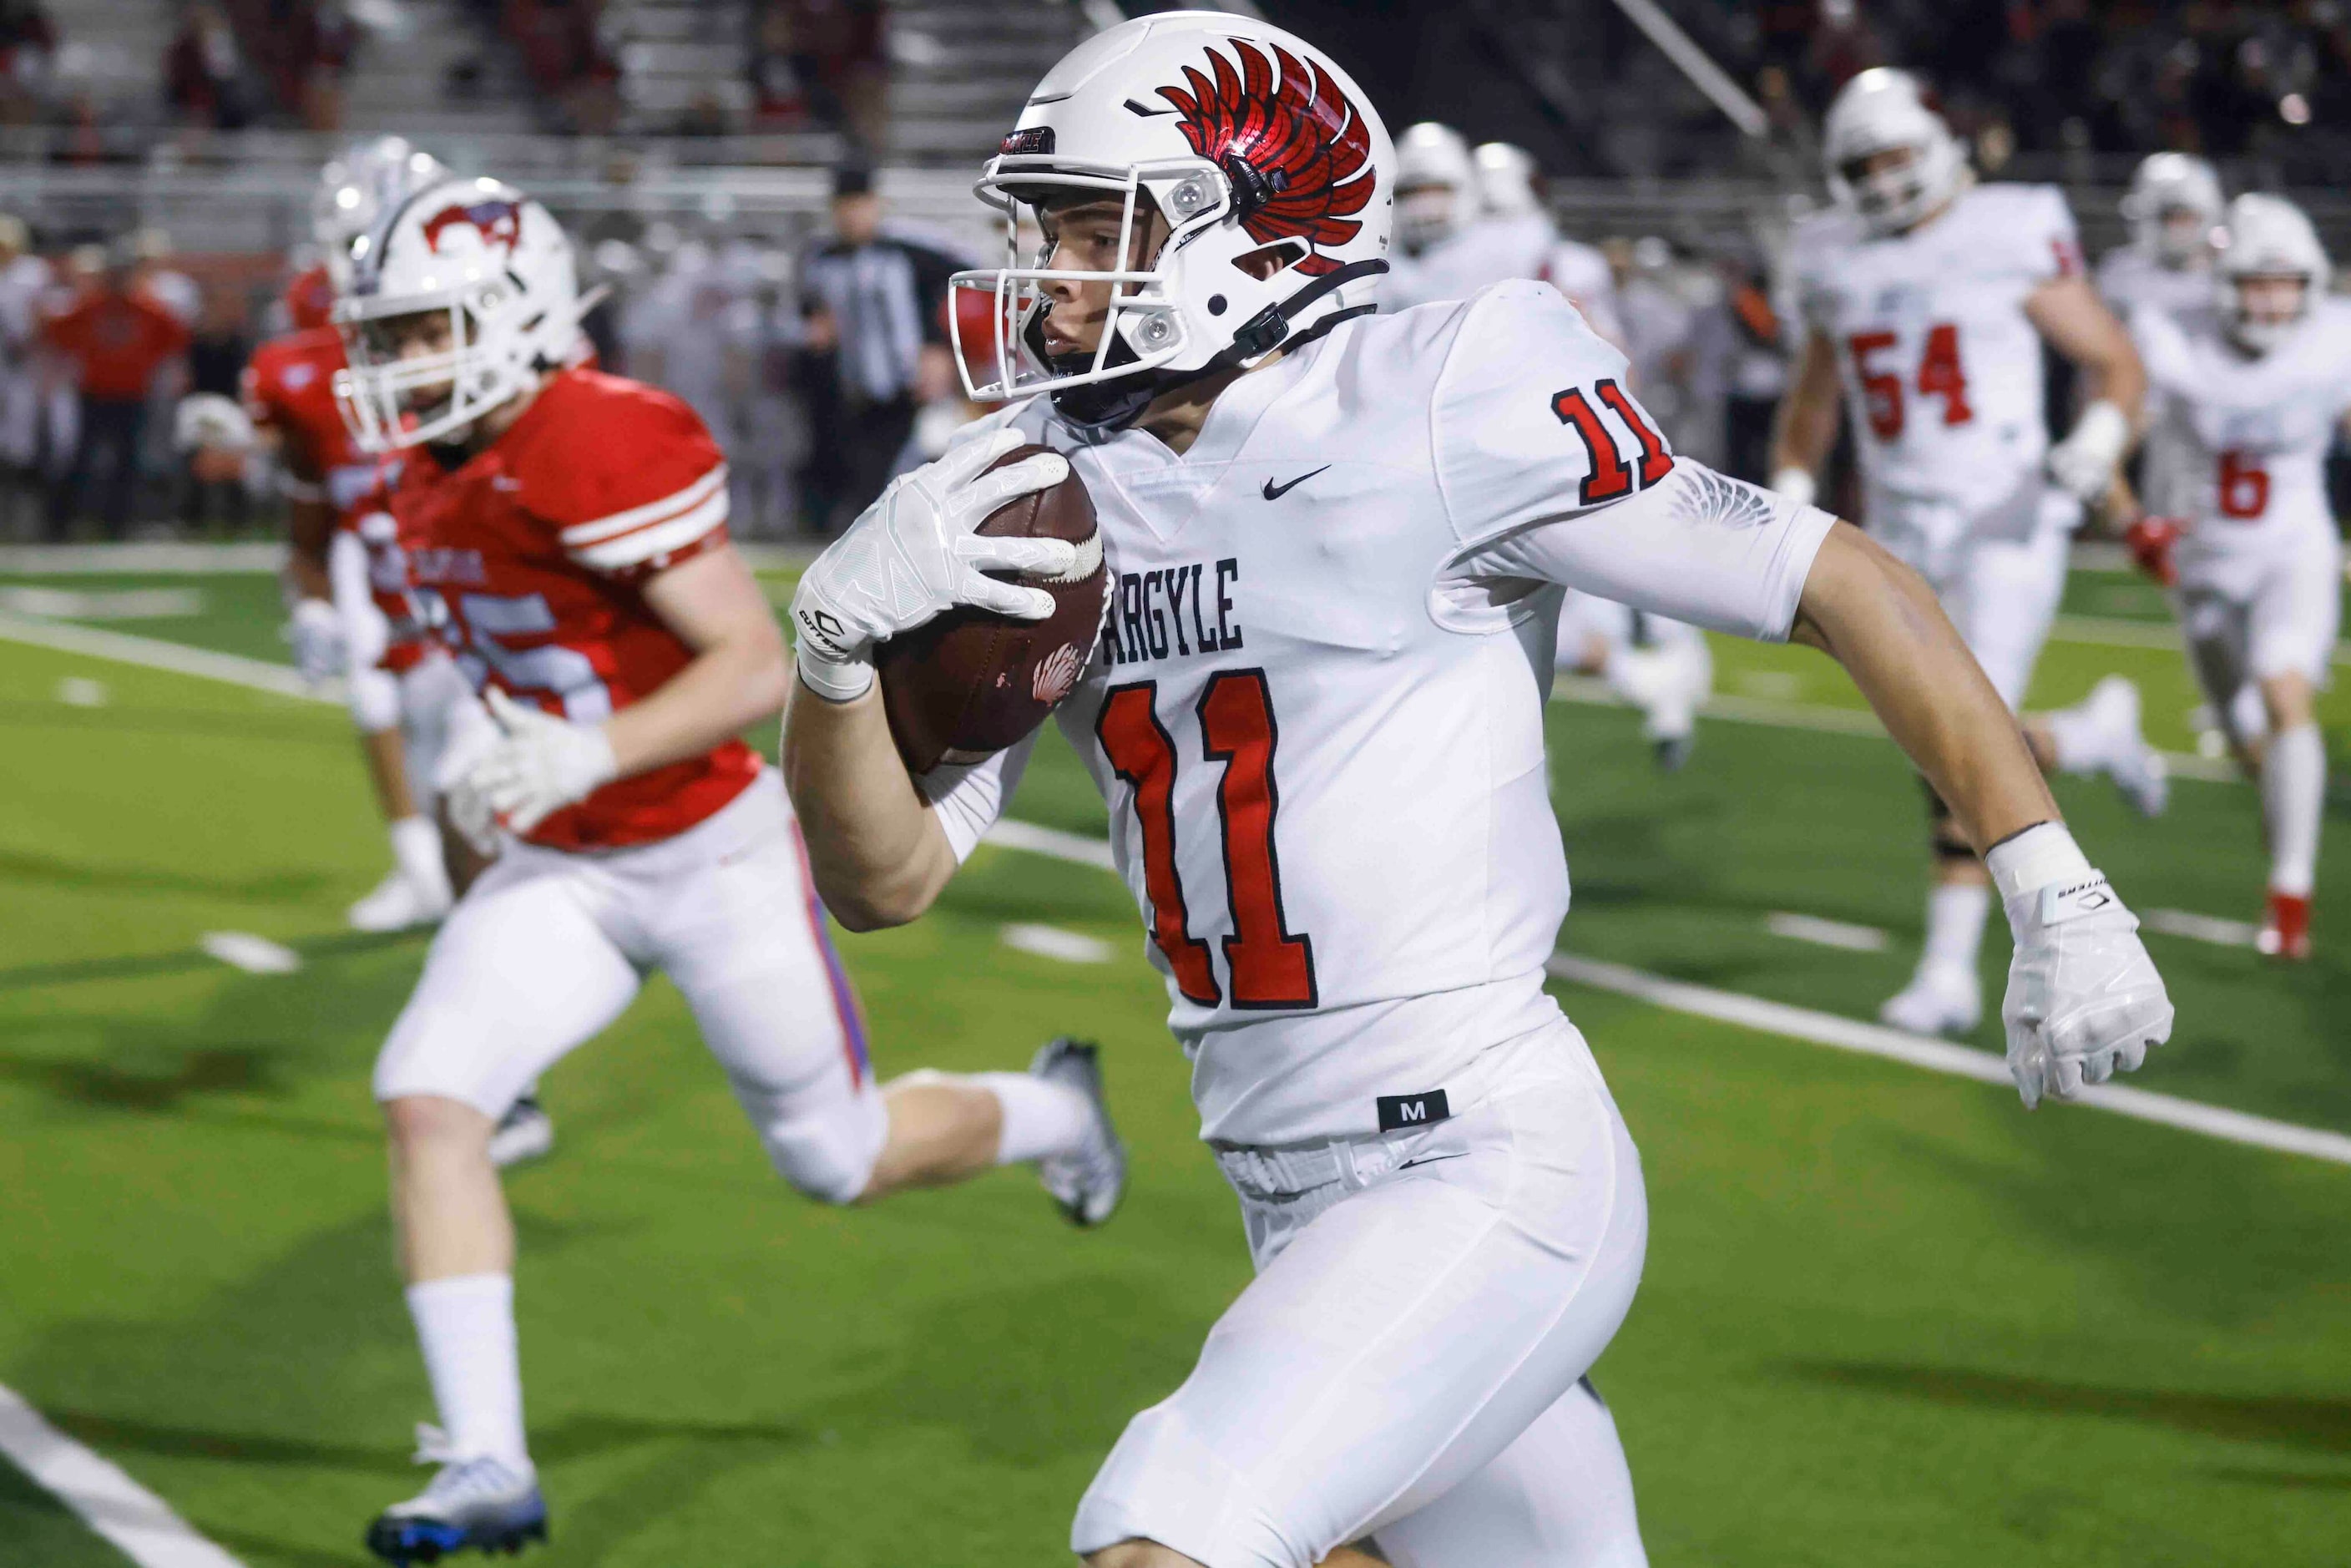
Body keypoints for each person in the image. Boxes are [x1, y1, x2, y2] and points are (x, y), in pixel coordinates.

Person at [784, 16, 2175, 1567]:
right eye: (1041, 230)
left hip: (1478, 1157)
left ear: (1252, 231)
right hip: (1283, 1180)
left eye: (1096, 230)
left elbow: (1836, 572)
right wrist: (833, 658)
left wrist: (2054, 885)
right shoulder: (1046, 483)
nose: (1045, 279)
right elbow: (882, 877)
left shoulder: (1440, 393)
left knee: (1164, 1530)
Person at [334, 175, 1125, 1564]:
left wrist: (587, 752)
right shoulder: (429, 468)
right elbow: (528, 668)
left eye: (423, 329)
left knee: (836, 1156)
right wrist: (503, 779)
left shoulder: (597, 433)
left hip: (707, 850)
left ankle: (1056, 1114)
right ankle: (484, 1460)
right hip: (564, 867)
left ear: (516, 316)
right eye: (387, 336)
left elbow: (752, 660)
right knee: (427, 1096)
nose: (398, 364)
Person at [1768, 68, 2167, 1038]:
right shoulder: (1829, 256)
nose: (1882, 175)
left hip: (2003, 515)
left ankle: (1947, 971)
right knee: (1929, 728)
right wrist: (1787, 487)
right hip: (1898, 525)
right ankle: (2088, 735)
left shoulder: (2005, 226)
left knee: (1954, 729)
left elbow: (2115, 362)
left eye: (1895, 153)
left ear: (1936, 144)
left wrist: (2097, 445)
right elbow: (1812, 399)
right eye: (1861, 162)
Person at [245, 142, 468, 937]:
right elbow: (311, 504)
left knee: (473, 742)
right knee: (382, 700)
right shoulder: (304, 367)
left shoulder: (481, 351)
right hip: (376, 559)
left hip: (471, 571)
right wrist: (310, 607)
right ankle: (421, 868)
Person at [2124, 195, 2346, 959]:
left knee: (2287, 693)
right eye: (2255, 282)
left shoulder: (2335, 338)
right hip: (2205, 565)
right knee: (2248, 735)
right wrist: (2131, 513)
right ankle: (2282, 811)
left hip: (2293, 548)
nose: (2269, 299)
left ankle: (2290, 899)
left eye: (2283, 282)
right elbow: (2123, 412)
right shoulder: (2175, 336)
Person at [796, 163, 964, 531]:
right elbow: (809, 312)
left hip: (910, 388)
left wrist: (939, 346)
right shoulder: (820, 259)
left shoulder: (908, 252)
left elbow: (962, 284)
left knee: (909, 471)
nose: (853, 216)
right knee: (862, 478)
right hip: (850, 392)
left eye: (860, 205)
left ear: (876, 205)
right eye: (845, 206)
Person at [42, 243, 189, 539]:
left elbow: (175, 339)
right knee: (82, 458)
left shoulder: (148, 307)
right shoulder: (91, 306)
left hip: (132, 394)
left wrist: (145, 364)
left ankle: (117, 523)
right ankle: (62, 522)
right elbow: (56, 332)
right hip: (94, 393)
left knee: (127, 460)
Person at [0, 214, 51, 532]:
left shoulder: (33, 273)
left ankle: (23, 515)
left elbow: (42, 315)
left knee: (27, 437)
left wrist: (30, 342)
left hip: (27, 362)